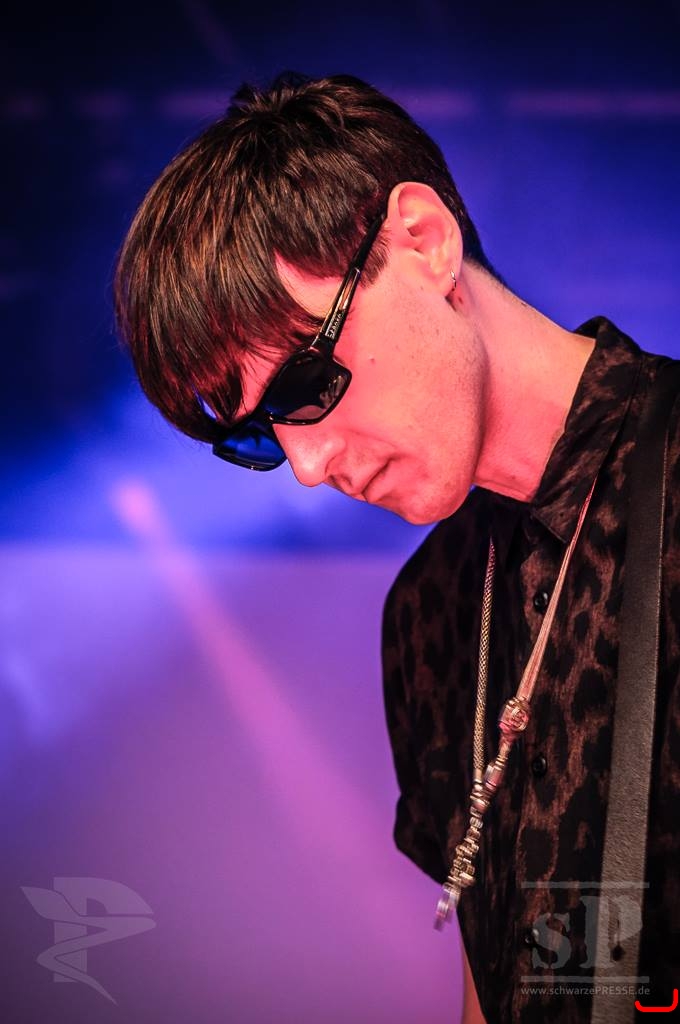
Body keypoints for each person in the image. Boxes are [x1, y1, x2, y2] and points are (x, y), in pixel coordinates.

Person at [114, 72, 680, 1024]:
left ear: (423, 242)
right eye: (259, 438)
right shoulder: (428, 610)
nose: (306, 466)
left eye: (303, 385)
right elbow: (493, 977)